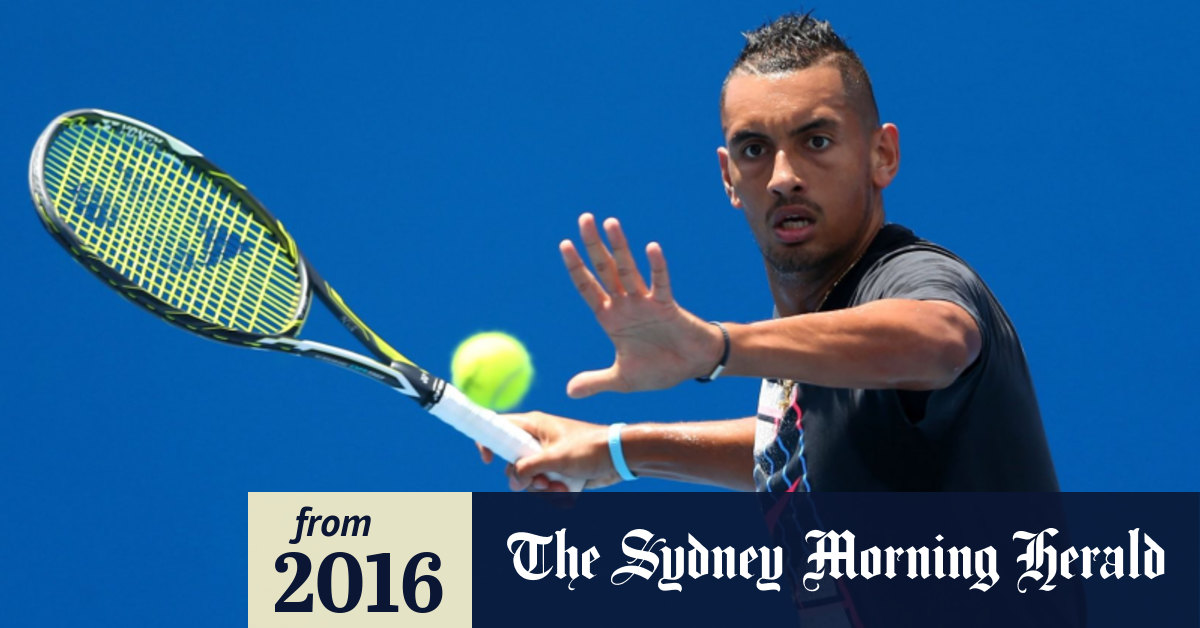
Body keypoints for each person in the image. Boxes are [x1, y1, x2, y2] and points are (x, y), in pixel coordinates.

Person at [482, 12, 1059, 493]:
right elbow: (794, 447)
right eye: (755, 149)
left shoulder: (911, 276)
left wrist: (717, 347)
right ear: (728, 178)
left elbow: (941, 342)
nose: (783, 177)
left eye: (817, 140)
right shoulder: (817, 346)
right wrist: (616, 449)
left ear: (882, 154)